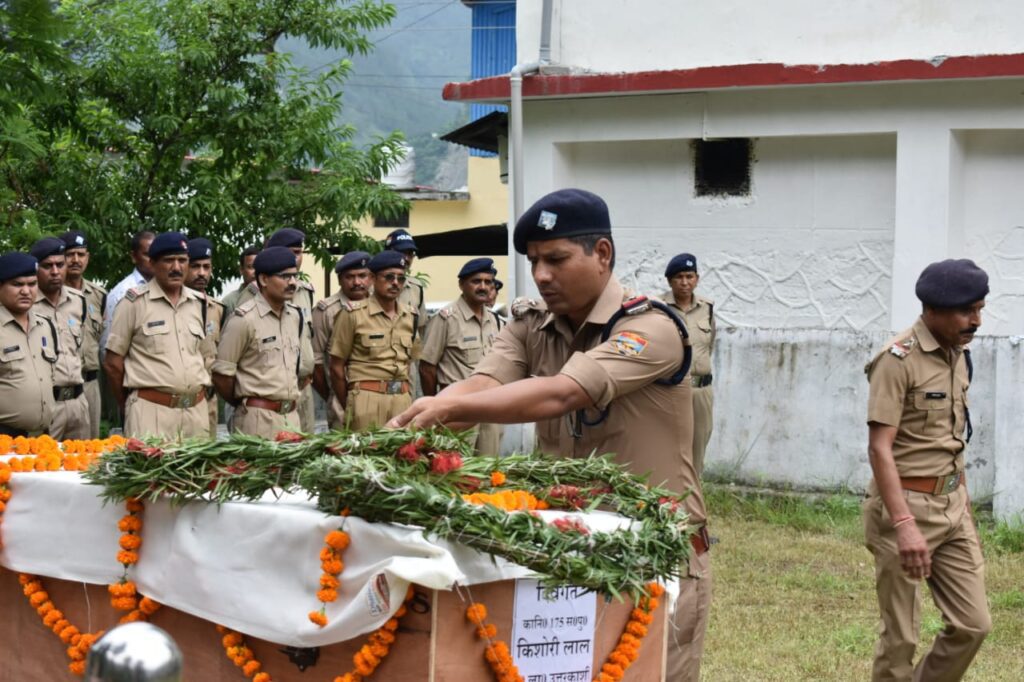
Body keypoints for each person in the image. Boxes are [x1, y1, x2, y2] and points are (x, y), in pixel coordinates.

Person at [388, 188, 710, 680]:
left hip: (652, 554)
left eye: (556, 259)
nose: (540, 275)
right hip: (565, 551)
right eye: (534, 261)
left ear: (602, 254)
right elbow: (485, 383)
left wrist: (446, 405)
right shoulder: (531, 324)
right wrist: (415, 425)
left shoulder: (651, 328)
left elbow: (562, 393)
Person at [863, 259, 991, 682]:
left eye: (979, 308)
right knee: (901, 638)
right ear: (932, 310)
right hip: (907, 506)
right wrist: (903, 524)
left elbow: (953, 440)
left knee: (973, 624)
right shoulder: (898, 360)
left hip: (952, 505)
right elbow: (880, 448)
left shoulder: (958, 354)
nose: (975, 320)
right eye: (966, 311)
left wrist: (964, 506)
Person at [103, 232, 211, 439]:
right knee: (150, 471)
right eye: (169, 261)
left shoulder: (199, 304)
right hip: (151, 412)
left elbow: (204, 356)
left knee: (196, 472)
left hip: (196, 414)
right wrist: (130, 403)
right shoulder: (133, 303)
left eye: (182, 260)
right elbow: (112, 363)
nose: (177, 268)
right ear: (152, 264)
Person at [212, 247, 313, 438]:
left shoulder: (295, 316)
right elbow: (222, 375)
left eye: (294, 276)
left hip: (291, 416)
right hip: (257, 419)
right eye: (284, 277)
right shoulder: (244, 319)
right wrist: (247, 403)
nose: (292, 282)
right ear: (264, 280)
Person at [233, 228, 317, 431]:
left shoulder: (305, 292)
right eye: (289, 252)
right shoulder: (252, 295)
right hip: (264, 403)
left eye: (298, 253)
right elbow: (229, 367)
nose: (294, 258)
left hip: (301, 391)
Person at [419, 257, 503, 454]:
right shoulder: (446, 318)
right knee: (457, 472)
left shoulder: (493, 320)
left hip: (489, 410)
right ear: (461, 285)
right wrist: (436, 406)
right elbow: (427, 368)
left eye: (488, 282)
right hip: (457, 410)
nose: (483, 286)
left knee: (489, 470)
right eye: (476, 281)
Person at [329, 250, 419, 431]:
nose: (395, 283)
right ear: (372, 278)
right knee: (366, 456)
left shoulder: (410, 315)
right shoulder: (353, 314)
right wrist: (351, 402)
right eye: (389, 277)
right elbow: (336, 366)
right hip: (366, 397)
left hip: (401, 398)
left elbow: (410, 362)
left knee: (402, 456)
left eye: (401, 278)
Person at [30, 237, 90, 440]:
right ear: (36, 268)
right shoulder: (26, 304)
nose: (55, 272)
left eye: (60, 265)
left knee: (82, 466)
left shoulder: (78, 301)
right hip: (46, 404)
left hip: (78, 402)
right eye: (48, 266)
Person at [664, 253, 716, 477]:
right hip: (671, 390)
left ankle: (693, 506)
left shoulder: (707, 309)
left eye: (689, 276)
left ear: (697, 279)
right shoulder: (658, 307)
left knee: (697, 450)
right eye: (679, 277)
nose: (684, 282)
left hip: (700, 391)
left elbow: (709, 345)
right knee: (666, 448)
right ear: (669, 281)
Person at [312, 251, 371, 429]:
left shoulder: (381, 305)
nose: (357, 282)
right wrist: (333, 395)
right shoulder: (326, 311)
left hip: (378, 398)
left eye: (362, 276)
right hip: (342, 400)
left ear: (372, 277)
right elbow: (315, 364)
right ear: (339, 280)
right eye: (349, 277)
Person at [0, 252, 57, 437]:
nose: (26, 291)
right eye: (17, 284)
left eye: (32, 284)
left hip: (42, 437)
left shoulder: (46, 325)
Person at [61, 229, 107, 438]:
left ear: (87, 257)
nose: (75, 260)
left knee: (91, 451)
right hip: (60, 388)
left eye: (81, 254)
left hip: (90, 384)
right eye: (70, 254)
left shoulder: (99, 296)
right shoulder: (49, 295)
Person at [185, 237, 225, 437]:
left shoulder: (217, 309)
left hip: (208, 399)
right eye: (195, 266)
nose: (201, 273)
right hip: (179, 402)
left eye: (206, 267)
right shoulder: (173, 307)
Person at [101, 229, 154, 359]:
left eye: (156, 254)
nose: (153, 260)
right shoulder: (121, 293)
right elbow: (107, 347)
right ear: (134, 257)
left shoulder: (166, 288)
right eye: (147, 255)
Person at [221, 245, 259, 319]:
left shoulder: (270, 298)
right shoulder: (229, 302)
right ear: (241, 270)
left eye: (258, 267)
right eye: (250, 267)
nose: (255, 272)